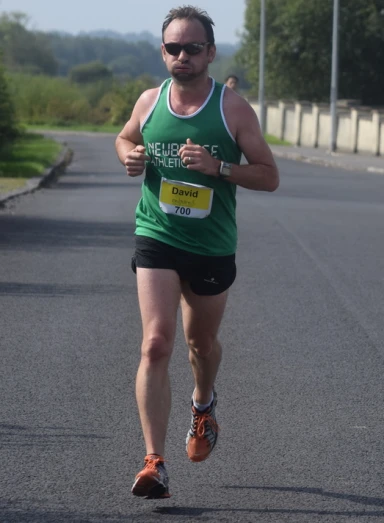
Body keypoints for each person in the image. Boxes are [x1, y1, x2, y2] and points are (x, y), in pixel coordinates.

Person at [115, 5, 279, 499]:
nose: (181, 56)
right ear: (162, 52)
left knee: (200, 346)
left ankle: (203, 404)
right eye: (172, 47)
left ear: (210, 52)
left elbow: (268, 175)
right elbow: (124, 138)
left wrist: (219, 168)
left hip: (211, 246)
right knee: (156, 344)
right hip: (157, 235)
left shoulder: (232, 108)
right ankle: (153, 461)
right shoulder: (149, 101)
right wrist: (131, 157)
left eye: (191, 48)